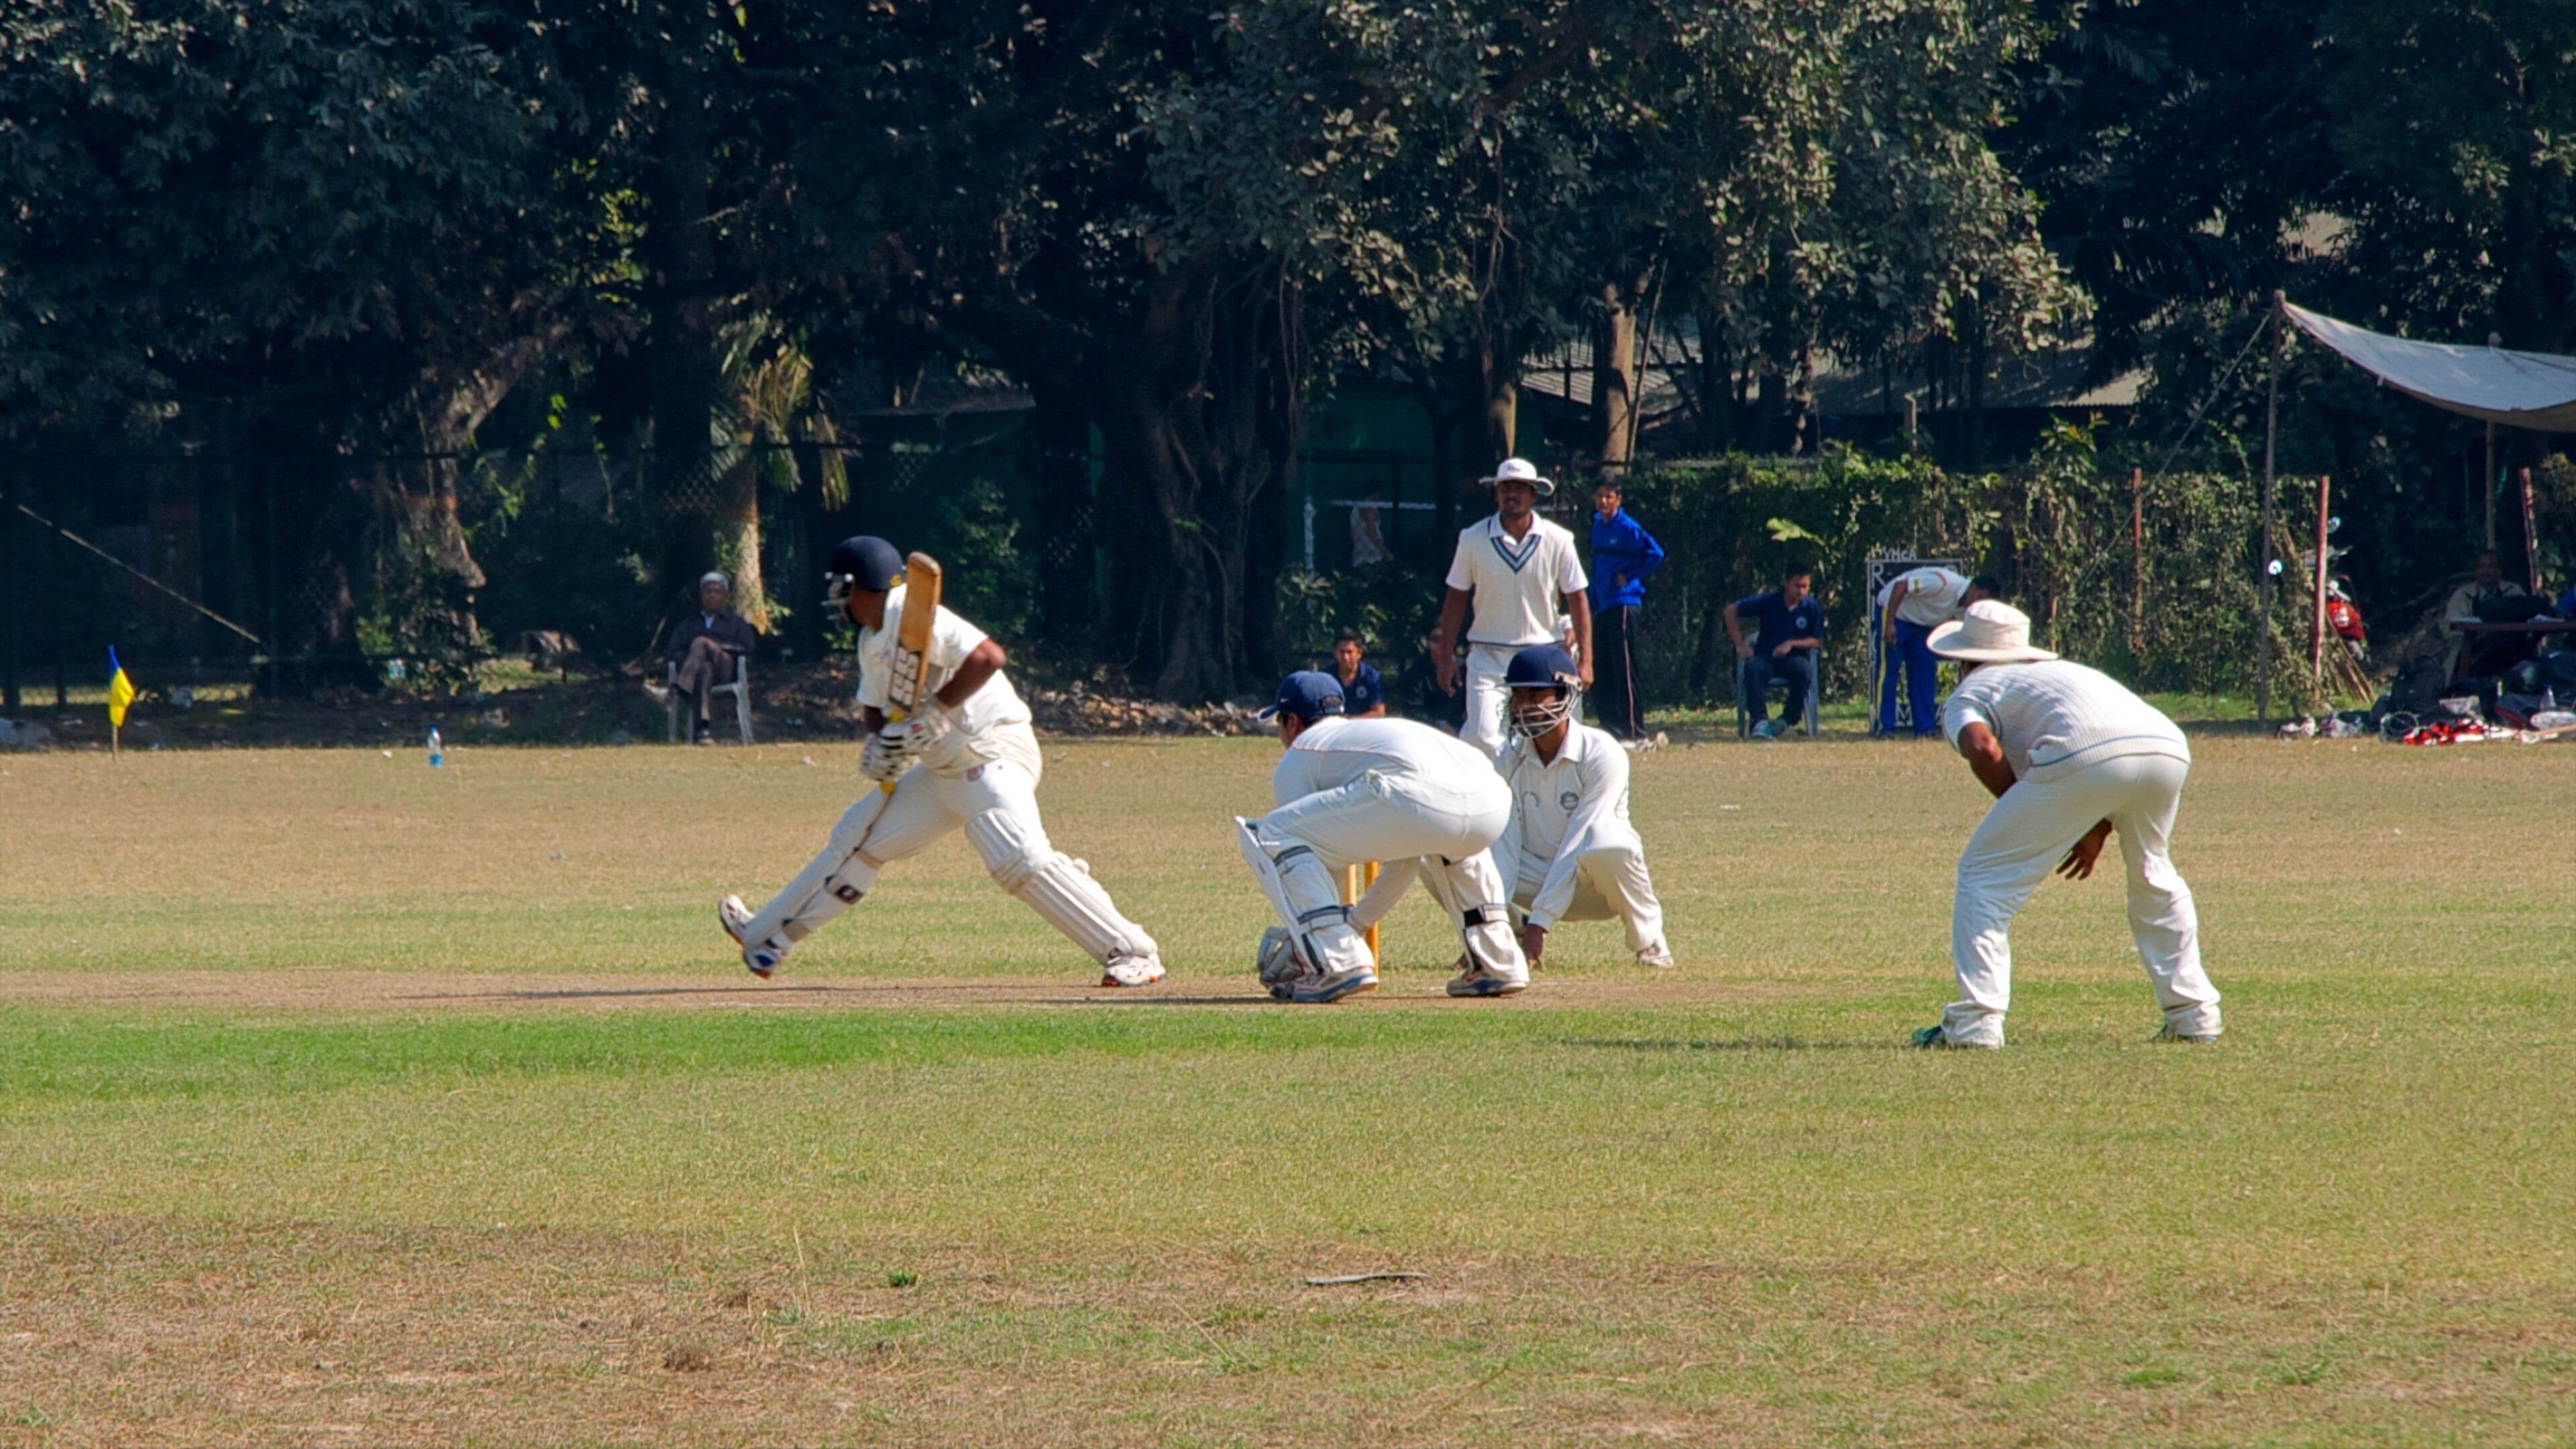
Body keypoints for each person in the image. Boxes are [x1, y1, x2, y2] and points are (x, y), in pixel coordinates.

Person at [719, 536, 1164, 987]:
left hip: (993, 752)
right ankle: (769, 938)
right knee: (859, 839)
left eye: (841, 587)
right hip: (942, 772)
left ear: (859, 587)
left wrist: (937, 710)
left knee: (1012, 852)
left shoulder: (913, 612)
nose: (837, 598)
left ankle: (1132, 951)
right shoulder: (870, 640)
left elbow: (988, 657)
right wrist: (882, 746)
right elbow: (876, 705)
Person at [1915, 600, 2221, 1050]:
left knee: (1983, 877)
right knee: (2154, 874)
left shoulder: (1972, 690)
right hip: (2167, 745)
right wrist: (2090, 823)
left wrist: (2050, 814)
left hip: (2085, 756)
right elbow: (2117, 747)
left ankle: (1976, 1022)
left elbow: (1982, 748)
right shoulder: (2063, 674)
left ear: (1964, 660)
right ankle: (2195, 1015)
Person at [1239, 671, 1531, 1003]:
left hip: (1417, 797)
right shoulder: (1372, 734)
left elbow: (1318, 864)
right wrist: (1357, 923)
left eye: (1279, 724)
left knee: (1272, 831)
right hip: (1491, 799)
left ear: (1291, 722)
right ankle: (1499, 961)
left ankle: (1337, 961)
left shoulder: (1300, 754)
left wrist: (1319, 937)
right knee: (1452, 843)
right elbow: (1408, 852)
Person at [1492, 645, 1671, 971]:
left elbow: (1581, 836)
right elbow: (1503, 842)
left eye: (1536, 696)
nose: (1524, 707)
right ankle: (1502, 931)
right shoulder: (1508, 759)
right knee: (1451, 849)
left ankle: (1649, 940)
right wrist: (1489, 922)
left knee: (1606, 841)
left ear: (1565, 696)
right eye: (1518, 697)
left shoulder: (1601, 752)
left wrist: (1540, 923)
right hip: (1534, 879)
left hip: (1598, 885)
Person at [1430, 458, 1593, 757]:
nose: (1512, 495)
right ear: (1496, 494)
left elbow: (1577, 599)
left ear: (1534, 494)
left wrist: (1586, 661)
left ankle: (1548, 799)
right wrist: (1445, 657)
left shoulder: (1559, 540)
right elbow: (1456, 598)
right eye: (1506, 488)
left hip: (1545, 654)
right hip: (1489, 656)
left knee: (1558, 736)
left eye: (1520, 488)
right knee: (1482, 738)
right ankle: (1498, 802)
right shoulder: (1472, 539)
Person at [1587, 474, 1666, 744]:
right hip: (1602, 604)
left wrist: (1631, 574)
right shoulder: (1597, 525)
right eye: (1600, 496)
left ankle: (1634, 730)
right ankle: (1611, 729)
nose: (1604, 501)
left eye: (1609, 496)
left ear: (1618, 499)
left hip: (1623, 603)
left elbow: (1655, 553)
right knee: (1603, 667)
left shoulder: (1627, 527)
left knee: (1624, 667)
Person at [1874, 567, 1998, 738]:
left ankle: (1924, 729)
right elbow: (1901, 586)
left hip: (1923, 626)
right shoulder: (1942, 583)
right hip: (1897, 614)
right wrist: (1889, 624)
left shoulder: (1967, 611)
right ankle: (1884, 727)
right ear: (1973, 588)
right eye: (1979, 598)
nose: (1977, 604)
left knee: (1924, 672)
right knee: (1890, 670)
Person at [651, 572, 759, 744]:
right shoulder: (688, 624)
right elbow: (671, 652)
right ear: (701, 595)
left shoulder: (735, 622)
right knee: (704, 669)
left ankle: (674, 692)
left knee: (702, 643)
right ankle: (703, 733)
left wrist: (715, 646)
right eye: (708, 592)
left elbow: (748, 647)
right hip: (697, 673)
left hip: (725, 668)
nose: (712, 596)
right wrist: (693, 658)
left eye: (717, 592)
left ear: (724, 595)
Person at [1724, 564, 1827, 737]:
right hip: (1766, 656)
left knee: (1805, 672)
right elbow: (1730, 611)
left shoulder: (1811, 607)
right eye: (1797, 586)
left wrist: (1792, 644)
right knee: (1753, 669)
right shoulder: (1769, 601)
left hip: (1794, 659)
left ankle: (1787, 719)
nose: (1801, 592)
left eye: (1805, 587)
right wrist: (1740, 645)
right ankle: (1759, 721)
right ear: (1786, 583)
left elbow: (1817, 642)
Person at [2443, 549, 2532, 681]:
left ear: (2499, 570)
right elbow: (2451, 628)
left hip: (2510, 649)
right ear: (2476, 571)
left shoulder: (2514, 591)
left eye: (2491, 567)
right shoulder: (2463, 595)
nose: (2486, 571)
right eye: (2482, 567)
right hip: (2472, 651)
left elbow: (2529, 620)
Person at [1328, 627, 1389, 716]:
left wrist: (1349, 722)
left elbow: (1379, 713)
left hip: (1364, 728)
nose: (1345, 657)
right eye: (1342, 652)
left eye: (1349, 652)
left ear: (1359, 653)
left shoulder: (1371, 677)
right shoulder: (1326, 677)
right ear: (1334, 652)